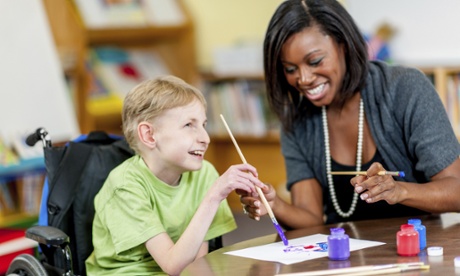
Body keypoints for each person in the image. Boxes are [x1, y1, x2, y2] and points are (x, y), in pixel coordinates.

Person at [240, 0, 460, 228]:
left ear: (343, 45)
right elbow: (310, 217)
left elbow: (456, 190)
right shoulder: (297, 120)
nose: (303, 79)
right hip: (344, 257)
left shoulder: (405, 88)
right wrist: (274, 204)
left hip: (417, 251)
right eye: (290, 69)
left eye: (315, 61)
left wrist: (399, 190)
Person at [85, 75, 265, 275]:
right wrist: (214, 196)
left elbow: (197, 264)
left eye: (204, 125)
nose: (205, 138)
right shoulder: (124, 185)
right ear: (149, 135)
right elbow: (174, 266)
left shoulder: (204, 174)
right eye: (189, 125)